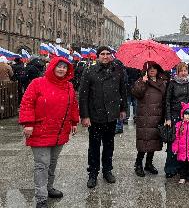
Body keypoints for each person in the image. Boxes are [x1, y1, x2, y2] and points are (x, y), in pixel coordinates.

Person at [19, 57, 79, 208]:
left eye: (64, 67)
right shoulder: (37, 83)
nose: (61, 69)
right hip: (40, 130)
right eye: (58, 66)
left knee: (52, 163)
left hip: (59, 131)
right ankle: (41, 197)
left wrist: (74, 121)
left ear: (68, 70)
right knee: (42, 164)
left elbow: (72, 105)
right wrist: (28, 123)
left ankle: (49, 187)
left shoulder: (69, 86)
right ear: (51, 67)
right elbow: (27, 103)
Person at [79, 46, 127, 188]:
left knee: (109, 145)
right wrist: (85, 115)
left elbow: (122, 91)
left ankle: (107, 170)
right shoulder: (89, 71)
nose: (105, 56)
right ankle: (93, 173)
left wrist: (123, 108)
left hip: (111, 115)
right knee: (94, 146)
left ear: (111, 56)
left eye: (108, 54)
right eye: (102, 54)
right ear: (98, 56)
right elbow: (83, 95)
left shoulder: (117, 71)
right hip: (95, 115)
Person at [132, 62, 166, 177]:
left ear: (158, 70)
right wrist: (143, 81)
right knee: (144, 140)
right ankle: (138, 163)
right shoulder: (141, 80)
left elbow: (165, 100)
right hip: (145, 116)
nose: (152, 70)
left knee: (154, 141)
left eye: (154, 68)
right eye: (150, 68)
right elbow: (137, 93)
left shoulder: (162, 83)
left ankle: (148, 163)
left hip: (157, 116)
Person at [164, 62, 189, 178]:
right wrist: (168, 117)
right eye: (181, 70)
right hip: (175, 116)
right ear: (177, 72)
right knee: (173, 144)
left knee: (184, 144)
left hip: (186, 117)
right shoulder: (172, 84)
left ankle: (181, 167)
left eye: (185, 70)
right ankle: (170, 168)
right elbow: (167, 101)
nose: (183, 72)